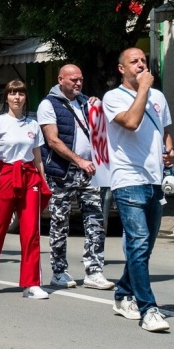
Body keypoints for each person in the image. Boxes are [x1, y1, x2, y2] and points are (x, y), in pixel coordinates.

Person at [102, 48, 174, 332]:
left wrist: (169, 150)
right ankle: (149, 309)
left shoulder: (159, 96)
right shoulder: (113, 97)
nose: (141, 64)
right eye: (134, 61)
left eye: (143, 60)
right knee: (139, 242)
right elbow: (131, 123)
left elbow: (164, 130)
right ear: (122, 69)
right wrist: (143, 88)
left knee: (144, 247)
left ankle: (122, 294)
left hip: (155, 179)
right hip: (128, 178)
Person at [37, 65, 113, 290]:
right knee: (60, 223)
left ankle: (94, 271)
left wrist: (97, 108)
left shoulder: (85, 102)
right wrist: (78, 160)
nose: (78, 84)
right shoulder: (48, 104)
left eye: (80, 79)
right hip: (63, 172)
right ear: (61, 79)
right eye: (73, 80)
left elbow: (100, 130)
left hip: (90, 172)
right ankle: (59, 271)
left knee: (95, 222)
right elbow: (53, 140)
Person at [0, 79, 50, 299]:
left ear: (26, 97)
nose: (17, 97)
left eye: (21, 93)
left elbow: (37, 158)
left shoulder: (33, 124)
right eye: (12, 93)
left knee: (31, 233)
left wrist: (42, 181)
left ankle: (32, 283)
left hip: (29, 177)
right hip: (5, 176)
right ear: (6, 97)